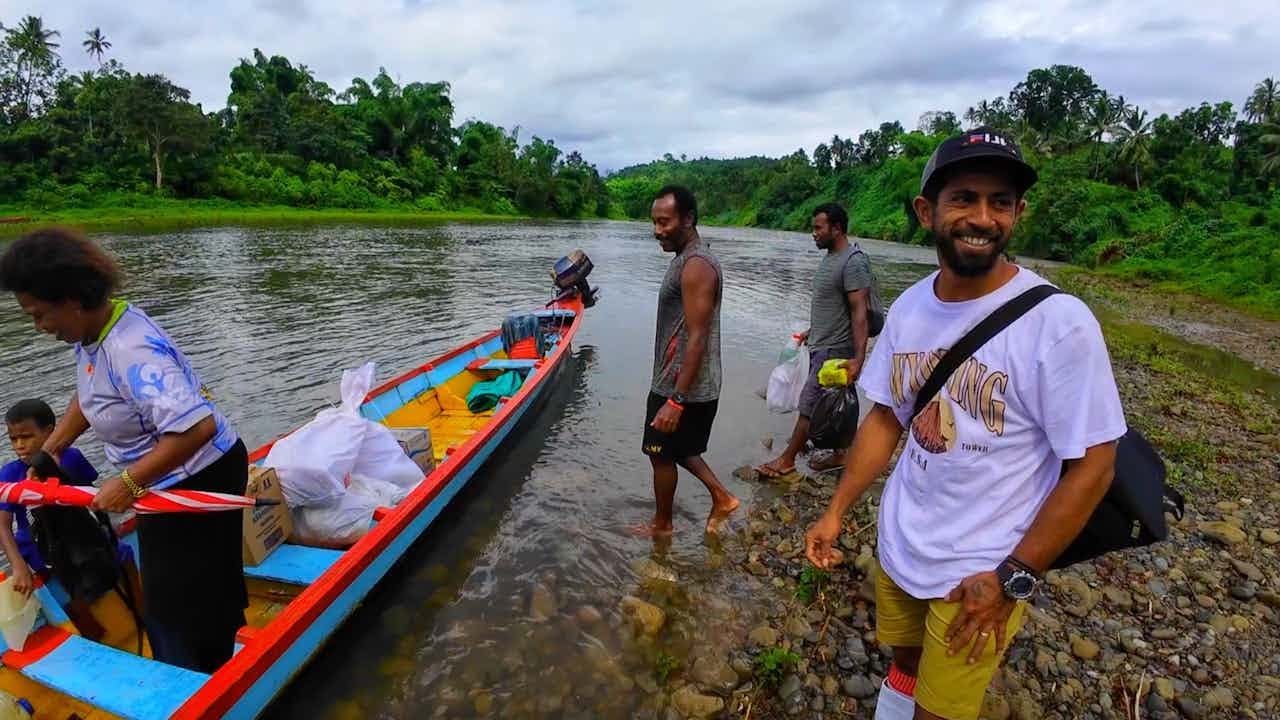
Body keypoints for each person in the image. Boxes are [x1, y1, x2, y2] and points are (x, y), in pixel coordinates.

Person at [804, 128, 1126, 720]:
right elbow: (886, 418)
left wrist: (1015, 577)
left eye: (999, 202)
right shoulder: (909, 307)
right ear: (926, 211)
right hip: (902, 541)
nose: (982, 218)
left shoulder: (1061, 323)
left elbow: (1095, 464)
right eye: (964, 199)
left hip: (981, 568)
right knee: (905, 659)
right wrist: (836, 511)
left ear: (1018, 213)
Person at [0, 227, 248, 673]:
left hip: (199, 476)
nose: (39, 328)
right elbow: (91, 394)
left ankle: (206, 680)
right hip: (159, 481)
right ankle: (187, 665)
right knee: (168, 594)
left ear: (71, 300)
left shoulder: (130, 349)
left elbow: (197, 426)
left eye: (39, 315)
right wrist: (51, 450)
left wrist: (129, 483)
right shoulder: (94, 333)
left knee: (188, 601)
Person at [639, 185, 739, 536]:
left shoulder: (697, 265)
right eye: (654, 222)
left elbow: (698, 335)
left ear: (688, 219)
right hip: (681, 380)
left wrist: (676, 400)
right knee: (678, 448)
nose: (657, 230)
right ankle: (722, 497)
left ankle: (662, 526)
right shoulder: (688, 259)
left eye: (664, 222)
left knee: (659, 452)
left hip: (682, 385)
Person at [757, 202, 872, 477]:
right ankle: (841, 453)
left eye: (819, 228)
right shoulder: (831, 258)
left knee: (810, 403)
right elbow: (833, 305)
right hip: (823, 342)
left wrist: (859, 358)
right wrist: (813, 331)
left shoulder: (852, 262)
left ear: (837, 228)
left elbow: (859, 312)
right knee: (838, 402)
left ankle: (787, 460)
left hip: (835, 349)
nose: (814, 233)